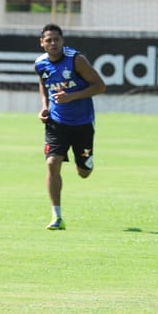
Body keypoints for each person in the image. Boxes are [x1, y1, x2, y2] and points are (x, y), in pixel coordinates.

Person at [34, 23, 106, 230]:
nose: (53, 43)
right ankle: (57, 217)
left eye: (56, 39)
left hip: (82, 123)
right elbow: (43, 82)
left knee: (84, 172)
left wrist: (71, 96)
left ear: (62, 41)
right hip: (56, 123)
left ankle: (87, 162)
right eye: (48, 40)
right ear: (42, 43)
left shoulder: (76, 60)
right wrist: (45, 107)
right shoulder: (40, 64)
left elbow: (100, 86)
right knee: (52, 163)